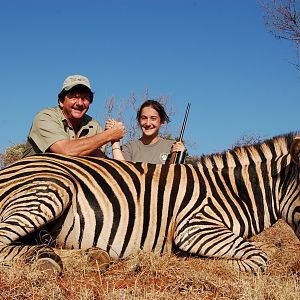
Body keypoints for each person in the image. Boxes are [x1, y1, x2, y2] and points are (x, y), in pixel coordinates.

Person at [23, 74, 124, 157]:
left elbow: (100, 159)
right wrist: (110, 134)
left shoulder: (94, 125)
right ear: (61, 101)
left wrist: (113, 142)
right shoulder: (45, 117)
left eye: (85, 98)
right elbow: (66, 151)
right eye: (74, 97)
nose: (80, 103)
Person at [106, 100, 185, 164]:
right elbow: (122, 172)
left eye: (153, 118)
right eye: (144, 118)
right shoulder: (129, 147)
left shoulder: (172, 146)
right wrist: (114, 141)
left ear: (162, 122)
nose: (148, 123)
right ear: (139, 121)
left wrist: (181, 154)